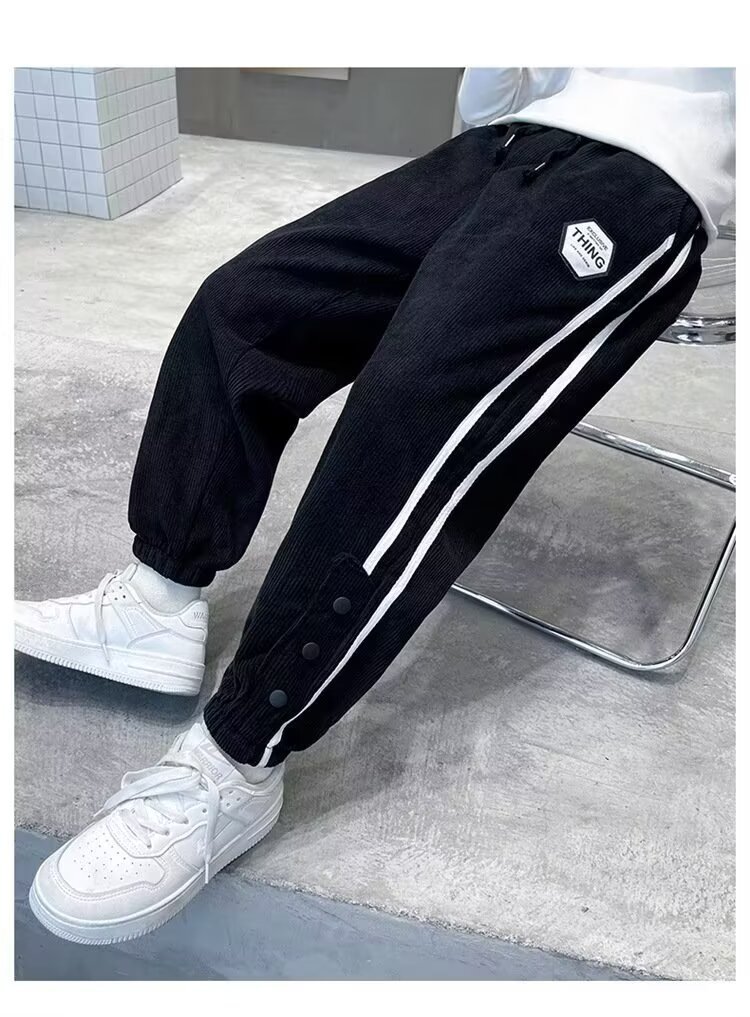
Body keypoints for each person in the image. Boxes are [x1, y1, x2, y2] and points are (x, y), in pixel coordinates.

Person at [16, 67, 735, 945]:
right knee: (245, 306)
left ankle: (238, 755)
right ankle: (158, 598)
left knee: (411, 415)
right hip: (511, 144)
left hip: (649, 177)